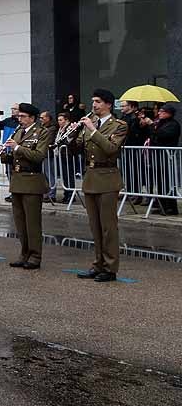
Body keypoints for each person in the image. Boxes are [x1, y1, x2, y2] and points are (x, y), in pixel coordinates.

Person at [71, 89, 127, 282]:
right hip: (91, 178)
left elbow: (111, 149)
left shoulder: (119, 125)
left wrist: (92, 131)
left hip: (108, 177)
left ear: (108, 104)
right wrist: (70, 134)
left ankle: (110, 268)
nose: (94, 105)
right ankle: (98, 264)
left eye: (98, 102)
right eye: (93, 101)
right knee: (95, 226)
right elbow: (76, 147)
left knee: (108, 227)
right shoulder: (90, 123)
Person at [1, 103, 52, 269]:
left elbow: (38, 156)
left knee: (32, 223)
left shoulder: (42, 133)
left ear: (32, 118)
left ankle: (35, 256)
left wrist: (17, 148)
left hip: (31, 180)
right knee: (20, 222)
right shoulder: (18, 132)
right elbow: (14, 157)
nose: (19, 119)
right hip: (17, 181)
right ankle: (24, 253)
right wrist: (4, 154)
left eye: (23, 116)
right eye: (19, 116)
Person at [151, 105, 180, 215]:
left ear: (169, 113)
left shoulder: (173, 125)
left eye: (162, 111)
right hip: (158, 156)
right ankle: (162, 205)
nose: (159, 113)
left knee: (168, 181)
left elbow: (163, 135)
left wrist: (152, 125)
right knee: (159, 182)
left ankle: (171, 207)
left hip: (167, 157)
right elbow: (154, 135)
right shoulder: (161, 123)